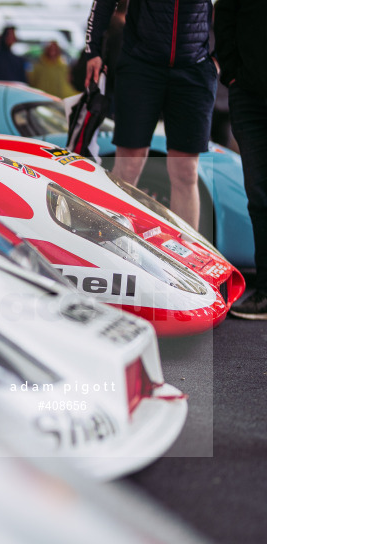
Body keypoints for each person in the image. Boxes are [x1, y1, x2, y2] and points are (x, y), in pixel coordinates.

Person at [84, 0, 219, 231]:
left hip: (194, 68)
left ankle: (184, 259)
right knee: (130, 162)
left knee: (186, 170)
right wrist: (93, 50)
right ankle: (112, 241)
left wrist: (220, 57)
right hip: (141, 66)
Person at [213, 0, 266, 319]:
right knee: (260, 194)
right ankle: (267, 292)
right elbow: (224, 18)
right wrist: (233, 74)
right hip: (248, 94)